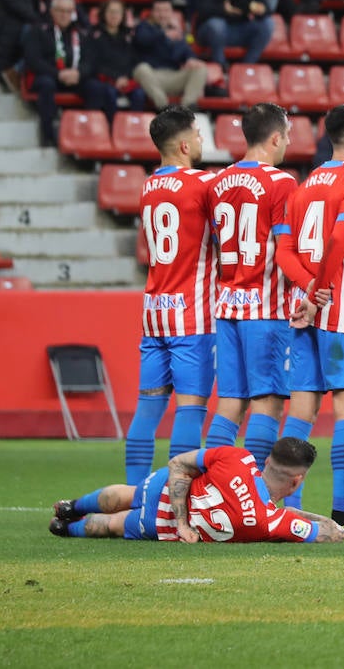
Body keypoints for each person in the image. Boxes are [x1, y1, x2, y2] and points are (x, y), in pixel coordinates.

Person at [270, 104, 344, 539]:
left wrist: (306, 293)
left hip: (302, 315)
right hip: (343, 313)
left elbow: (283, 254)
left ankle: (287, 511)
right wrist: (321, 295)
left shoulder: (303, 187)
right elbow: (340, 238)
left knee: (302, 410)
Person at [203, 103, 299, 471]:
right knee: (269, 402)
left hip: (227, 306)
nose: (288, 143)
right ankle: (253, 491)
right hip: (266, 308)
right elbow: (285, 248)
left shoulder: (217, 183)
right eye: (287, 136)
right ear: (275, 137)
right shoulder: (281, 182)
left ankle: (214, 484)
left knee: (230, 403)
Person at [125, 107, 217, 484]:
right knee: (190, 410)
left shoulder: (149, 186)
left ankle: (132, 494)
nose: (200, 141)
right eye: (197, 134)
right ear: (183, 144)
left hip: (154, 310)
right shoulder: (202, 186)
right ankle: (177, 498)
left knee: (147, 409)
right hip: (191, 314)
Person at [49, 439, 344, 543]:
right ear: (297, 481)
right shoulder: (268, 521)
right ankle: (65, 530)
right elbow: (329, 536)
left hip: (168, 490)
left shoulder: (237, 457)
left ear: (267, 461)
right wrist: (330, 523)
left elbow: (178, 462)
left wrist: (181, 518)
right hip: (165, 527)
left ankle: (71, 507)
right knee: (114, 525)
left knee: (128, 494)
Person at [25, 0, 117, 145]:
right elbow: (33, 60)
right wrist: (58, 74)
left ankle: (89, 133)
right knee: (46, 84)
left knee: (97, 88)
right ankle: (48, 136)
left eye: (68, 11)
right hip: (50, 76)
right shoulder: (39, 30)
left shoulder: (81, 33)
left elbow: (91, 61)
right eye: (60, 11)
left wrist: (79, 73)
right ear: (52, 11)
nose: (64, 15)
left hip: (76, 77)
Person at [131, 0, 208, 109]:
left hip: (173, 76)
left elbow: (187, 52)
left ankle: (187, 107)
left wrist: (191, 59)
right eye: (158, 11)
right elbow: (143, 40)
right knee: (141, 69)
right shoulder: (142, 27)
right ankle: (164, 107)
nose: (162, 14)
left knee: (201, 68)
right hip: (152, 76)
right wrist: (163, 34)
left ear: (171, 13)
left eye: (166, 10)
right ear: (152, 12)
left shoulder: (176, 31)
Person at [82, 0, 140, 111]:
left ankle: (134, 127)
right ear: (103, 14)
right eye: (111, 11)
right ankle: (110, 127)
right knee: (109, 92)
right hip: (103, 79)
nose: (114, 15)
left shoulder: (130, 35)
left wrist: (126, 77)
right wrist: (115, 78)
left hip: (126, 79)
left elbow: (135, 60)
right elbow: (92, 63)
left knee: (139, 94)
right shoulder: (93, 34)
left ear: (123, 15)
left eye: (118, 12)